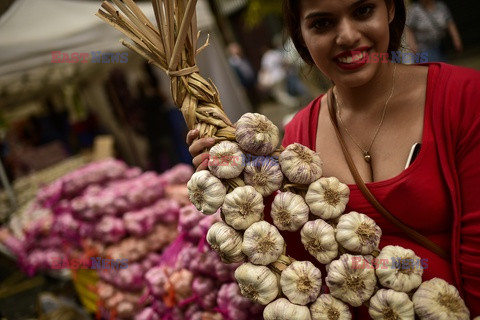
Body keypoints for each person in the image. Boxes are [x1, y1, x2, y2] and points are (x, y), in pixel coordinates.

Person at [186, 0, 480, 317]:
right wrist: (231, 180)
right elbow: (302, 262)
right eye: (322, 24)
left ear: (390, 9)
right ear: (299, 36)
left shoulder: (464, 97)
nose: (348, 36)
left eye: (363, 11)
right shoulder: (299, 136)